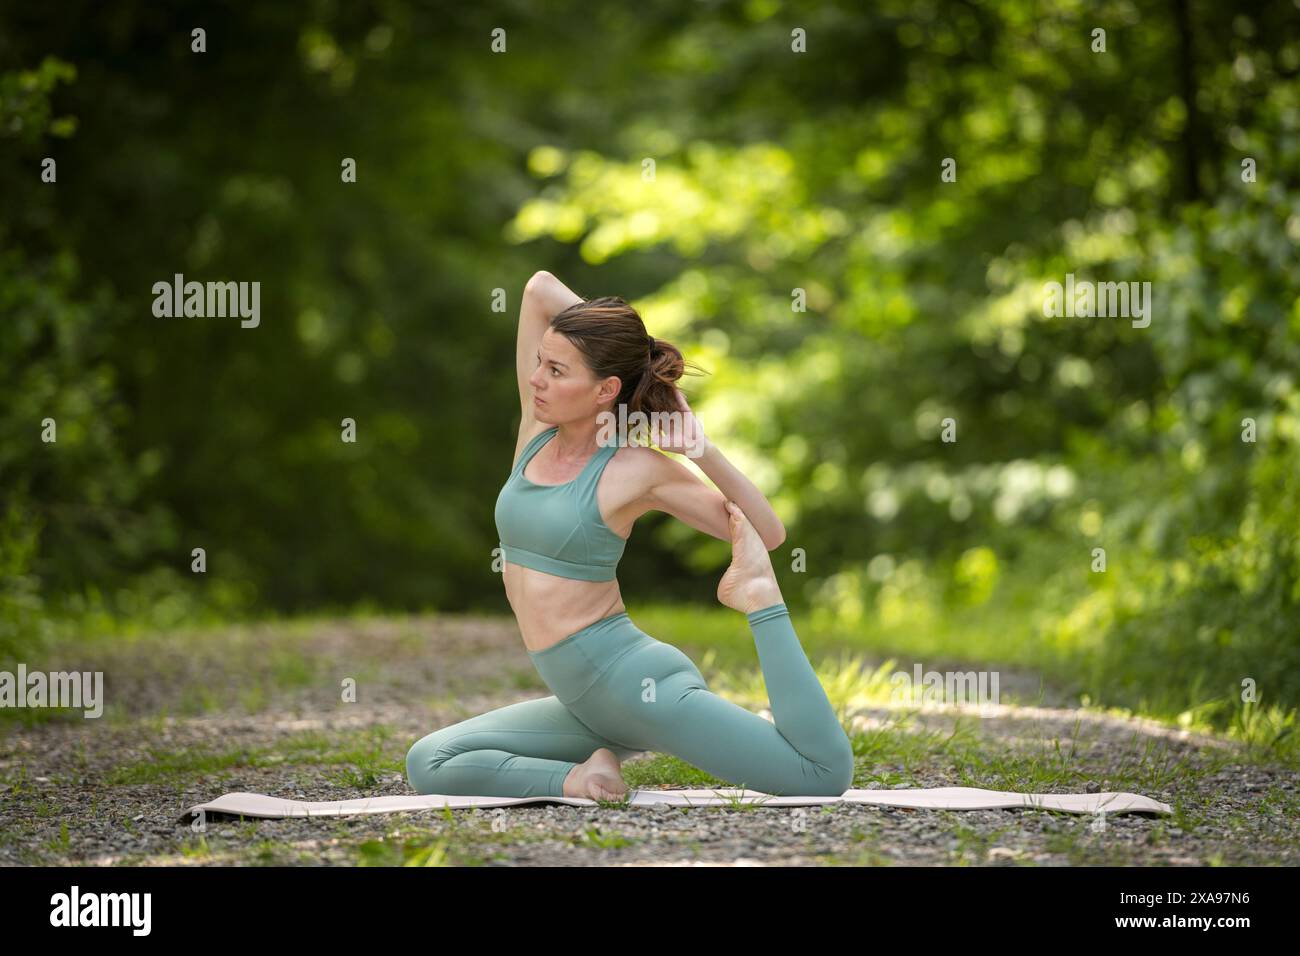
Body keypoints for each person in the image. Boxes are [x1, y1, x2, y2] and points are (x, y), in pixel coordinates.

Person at [405, 271, 854, 800]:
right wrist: (637, 359)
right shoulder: (536, 431)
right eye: (541, 363)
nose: (536, 379)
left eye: (556, 370)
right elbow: (539, 288)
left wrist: (699, 449)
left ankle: (759, 599)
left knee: (819, 775)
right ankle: (584, 777)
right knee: (430, 760)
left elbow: (766, 532)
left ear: (605, 390)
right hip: (588, 704)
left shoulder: (634, 468)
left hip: (634, 687)